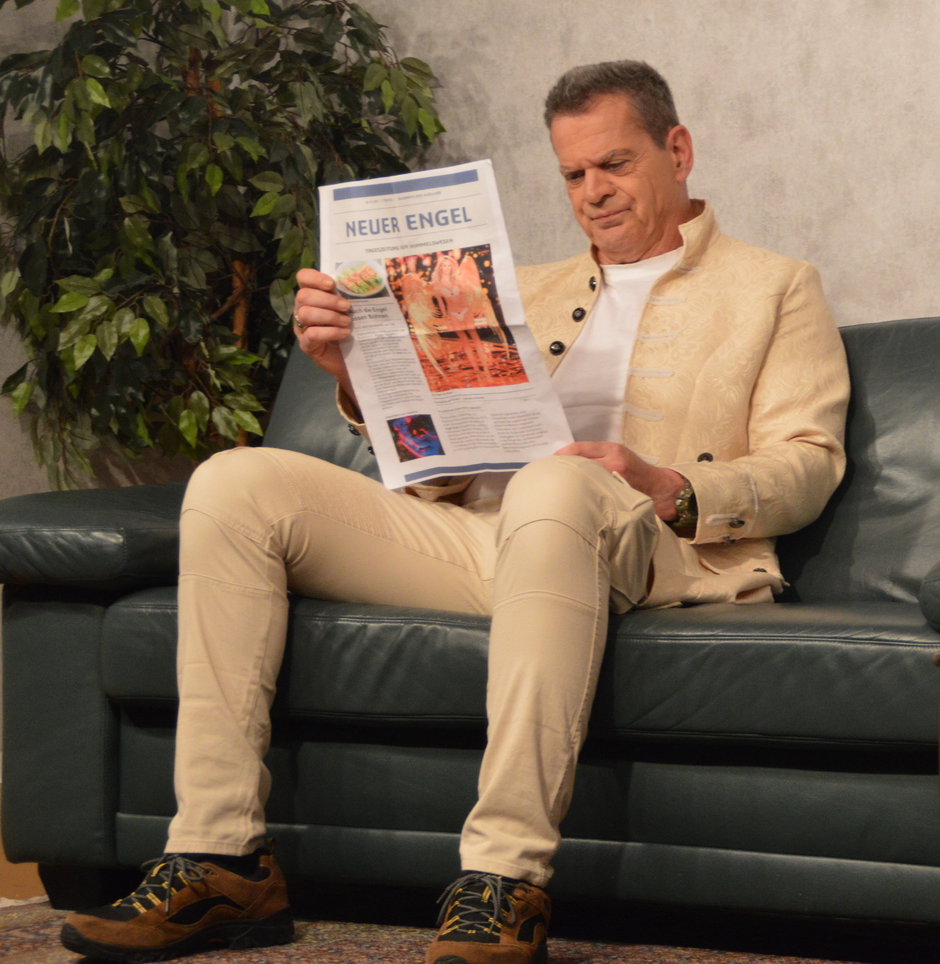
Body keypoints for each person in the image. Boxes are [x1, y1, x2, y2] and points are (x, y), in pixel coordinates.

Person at [60, 61, 851, 964]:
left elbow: (809, 463)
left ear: (678, 150)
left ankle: (504, 880)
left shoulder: (775, 286)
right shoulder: (525, 288)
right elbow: (440, 465)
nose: (592, 192)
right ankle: (220, 860)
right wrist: (358, 375)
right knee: (234, 484)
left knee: (555, 484)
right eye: (573, 174)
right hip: (486, 538)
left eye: (615, 164)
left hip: (651, 548)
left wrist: (667, 483)